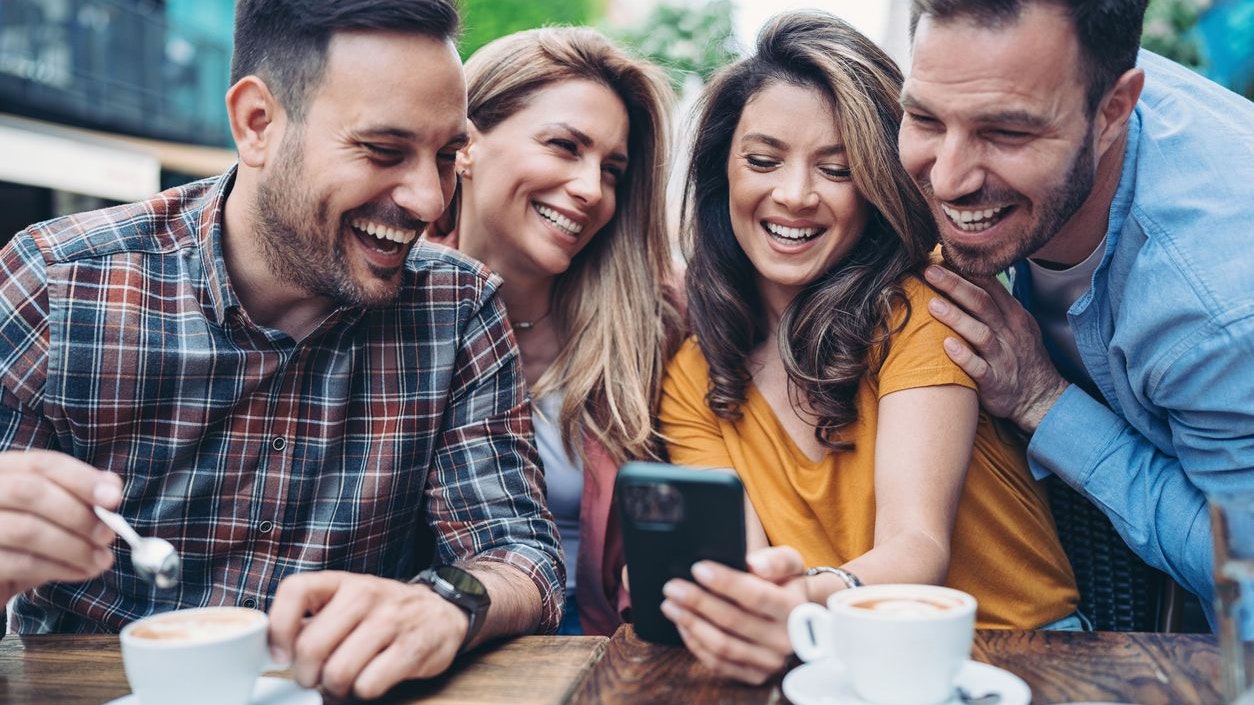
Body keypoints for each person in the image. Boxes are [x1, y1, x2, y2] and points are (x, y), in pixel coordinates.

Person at [0, 0, 563, 698]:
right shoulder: (59, 285)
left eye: (447, 157)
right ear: (257, 124)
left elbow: (522, 553)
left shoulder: (459, 308)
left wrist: (444, 599)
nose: (428, 200)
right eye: (384, 151)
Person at [655, 10, 1079, 684]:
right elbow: (749, 572)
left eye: (838, 169)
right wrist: (739, 602)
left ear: (878, 185)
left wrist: (801, 597)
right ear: (721, 174)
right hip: (845, 662)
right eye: (763, 161)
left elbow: (917, 549)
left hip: (1024, 655)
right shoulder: (694, 372)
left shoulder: (922, 309)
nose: (794, 196)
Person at [898, 0, 1254, 613]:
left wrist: (1045, 403)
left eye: (1005, 132)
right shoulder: (1049, 75)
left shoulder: (1215, 312)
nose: (949, 178)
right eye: (925, 118)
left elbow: (1242, 571)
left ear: (1113, 111)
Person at [424, 26, 684, 636]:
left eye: (613, 170)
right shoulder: (391, 296)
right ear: (465, 144)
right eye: (565, 146)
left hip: (593, 638)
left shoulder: (657, 318)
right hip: (432, 632)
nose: (592, 189)